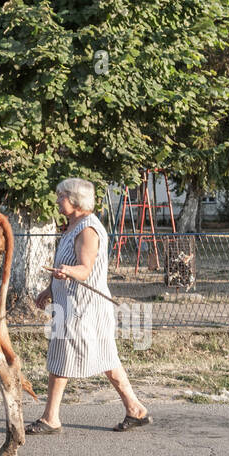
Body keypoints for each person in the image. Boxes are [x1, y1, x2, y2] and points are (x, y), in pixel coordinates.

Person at [27, 177, 152, 434]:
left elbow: (84, 270)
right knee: (107, 359)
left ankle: (51, 418)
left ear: (75, 200)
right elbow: (69, 266)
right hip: (71, 304)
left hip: (83, 309)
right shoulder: (73, 226)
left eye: (61, 196)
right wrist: (50, 289)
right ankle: (135, 409)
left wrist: (66, 272)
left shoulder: (88, 229)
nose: (57, 200)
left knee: (61, 357)